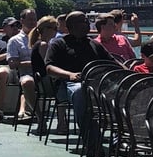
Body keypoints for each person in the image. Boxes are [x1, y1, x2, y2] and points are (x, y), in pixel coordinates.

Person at [45, 11, 115, 145]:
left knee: (121, 91)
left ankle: (120, 139)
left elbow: (112, 63)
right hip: (67, 85)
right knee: (80, 92)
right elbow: (49, 67)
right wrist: (69, 75)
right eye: (83, 21)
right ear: (71, 26)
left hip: (96, 85)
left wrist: (128, 73)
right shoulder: (58, 44)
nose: (87, 24)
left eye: (87, 21)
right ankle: (91, 140)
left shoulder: (94, 44)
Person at [1, 8, 38, 123]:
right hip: (24, 74)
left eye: (35, 19)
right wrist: (33, 63)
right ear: (22, 21)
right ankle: (39, 115)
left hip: (45, 73)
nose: (33, 22)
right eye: (30, 19)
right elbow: (12, 64)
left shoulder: (43, 38)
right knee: (27, 82)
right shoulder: (14, 41)